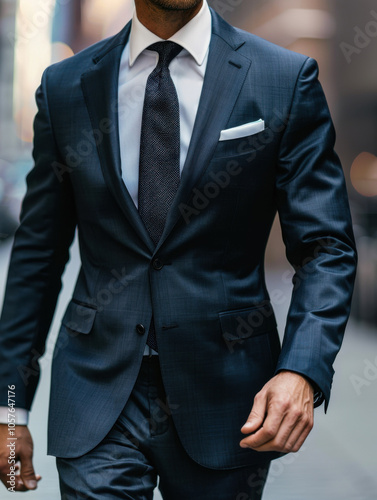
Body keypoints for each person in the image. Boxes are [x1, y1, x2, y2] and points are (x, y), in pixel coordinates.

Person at [0, 0, 357, 498]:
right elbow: (37, 257)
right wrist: (10, 406)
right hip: (96, 395)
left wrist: (302, 369)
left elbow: (325, 248)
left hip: (229, 399)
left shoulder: (282, 78)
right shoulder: (66, 87)